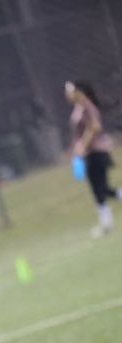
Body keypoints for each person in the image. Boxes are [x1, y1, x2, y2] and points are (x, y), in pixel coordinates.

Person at [65, 80, 122, 237]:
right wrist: (76, 149)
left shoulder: (87, 106)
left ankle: (106, 224)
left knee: (100, 189)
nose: (67, 95)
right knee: (100, 189)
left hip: (97, 153)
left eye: (70, 91)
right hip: (88, 155)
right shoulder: (78, 108)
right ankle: (106, 223)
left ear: (79, 91)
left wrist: (83, 145)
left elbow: (95, 127)